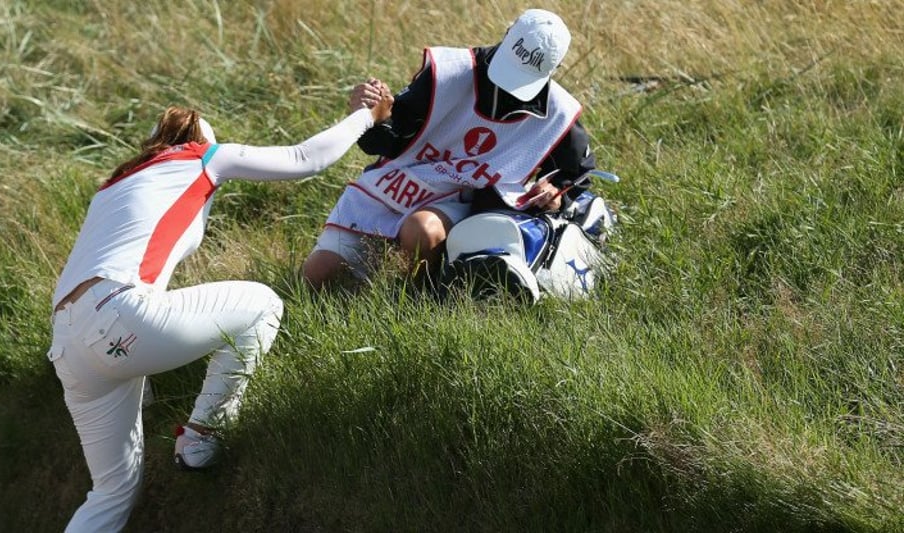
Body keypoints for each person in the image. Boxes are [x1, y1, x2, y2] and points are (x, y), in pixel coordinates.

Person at [48, 88, 392, 532]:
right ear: (196, 141)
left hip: (68, 345)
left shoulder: (113, 186)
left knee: (112, 493)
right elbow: (307, 158)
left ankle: (185, 437)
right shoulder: (203, 157)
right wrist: (367, 117)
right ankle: (202, 439)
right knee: (262, 304)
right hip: (118, 316)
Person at [302, 8, 597, 289]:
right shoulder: (448, 71)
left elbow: (576, 173)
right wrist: (369, 117)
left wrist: (556, 192)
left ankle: (421, 294)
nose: (509, 88)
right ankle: (378, 276)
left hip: (467, 202)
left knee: (421, 231)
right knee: (316, 277)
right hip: (395, 186)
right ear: (507, 34)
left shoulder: (559, 112)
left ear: (556, 67)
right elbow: (390, 142)